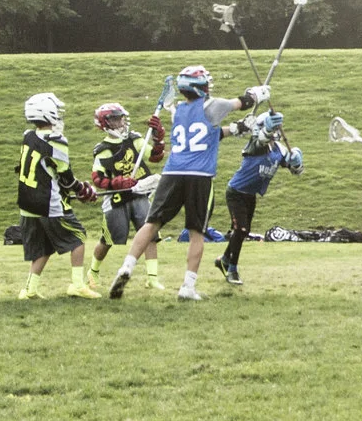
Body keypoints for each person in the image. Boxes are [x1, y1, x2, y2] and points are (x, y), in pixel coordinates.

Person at [106, 65, 268, 301]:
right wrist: (258, 93)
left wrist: (237, 128)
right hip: (199, 176)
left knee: (151, 223)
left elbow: (207, 134)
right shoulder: (211, 105)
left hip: (172, 173)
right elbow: (242, 102)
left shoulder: (178, 111)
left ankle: (127, 267)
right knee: (196, 233)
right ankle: (187, 287)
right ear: (200, 86)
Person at [13, 92, 100, 299]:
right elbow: (66, 177)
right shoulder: (56, 141)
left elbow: (45, 170)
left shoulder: (28, 136)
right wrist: (82, 189)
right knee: (78, 237)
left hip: (26, 203)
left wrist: (73, 188)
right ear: (48, 113)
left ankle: (29, 290)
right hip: (47, 203)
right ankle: (77, 285)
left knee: (43, 248)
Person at [87, 102, 165, 288]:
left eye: (121, 118)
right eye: (115, 119)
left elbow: (155, 156)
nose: (120, 122)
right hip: (117, 199)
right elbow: (97, 178)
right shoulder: (103, 149)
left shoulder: (134, 140)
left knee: (150, 234)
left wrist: (158, 139)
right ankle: (93, 271)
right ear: (105, 123)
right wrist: (117, 182)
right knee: (108, 240)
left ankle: (152, 278)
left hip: (139, 194)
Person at [219, 110, 302, 285]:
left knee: (243, 231)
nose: (277, 131)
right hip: (236, 192)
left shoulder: (279, 149)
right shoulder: (255, 144)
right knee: (240, 230)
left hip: (250, 194)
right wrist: (267, 130)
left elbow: (295, 171)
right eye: (273, 127)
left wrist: (296, 163)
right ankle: (232, 270)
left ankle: (224, 259)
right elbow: (261, 141)